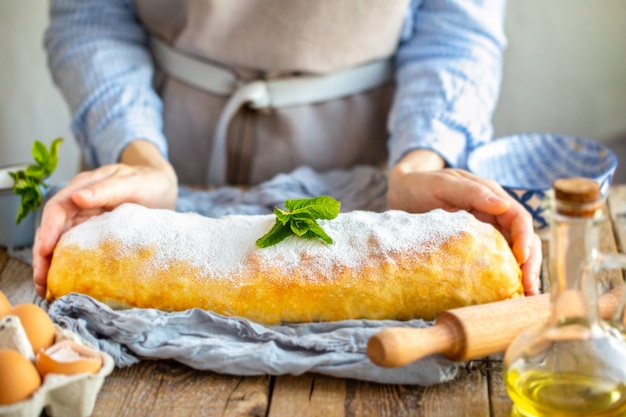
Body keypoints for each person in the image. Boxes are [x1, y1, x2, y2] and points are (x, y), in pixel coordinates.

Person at [33, 0, 542, 298]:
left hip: (377, 155)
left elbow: (456, 33)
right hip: (157, 146)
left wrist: (417, 166)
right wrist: (140, 157)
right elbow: (91, 14)